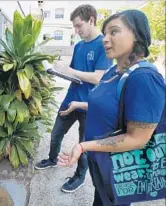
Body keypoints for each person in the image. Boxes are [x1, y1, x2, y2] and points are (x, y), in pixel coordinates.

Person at [57, 10, 165, 205]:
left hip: (119, 168)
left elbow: (137, 139)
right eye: (104, 33)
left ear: (138, 35)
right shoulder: (113, 71)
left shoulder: (144, 79)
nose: (105, 39)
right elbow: (113, 107)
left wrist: (83, 146)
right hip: (101, 162)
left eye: (113, 32)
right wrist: (79, 104)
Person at [34, 4, 112, 193]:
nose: (76, 31)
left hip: (90, 105)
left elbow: (98, 77)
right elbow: (76, 76)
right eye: (75, 27)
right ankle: (52, 159)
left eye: (78, 26)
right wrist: (57, 72)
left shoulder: (104, 45)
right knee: (56, 134)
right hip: (71, 98)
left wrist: (69, 70)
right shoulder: (78, 46)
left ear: (91, 20)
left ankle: (79, 177)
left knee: (82, 145)